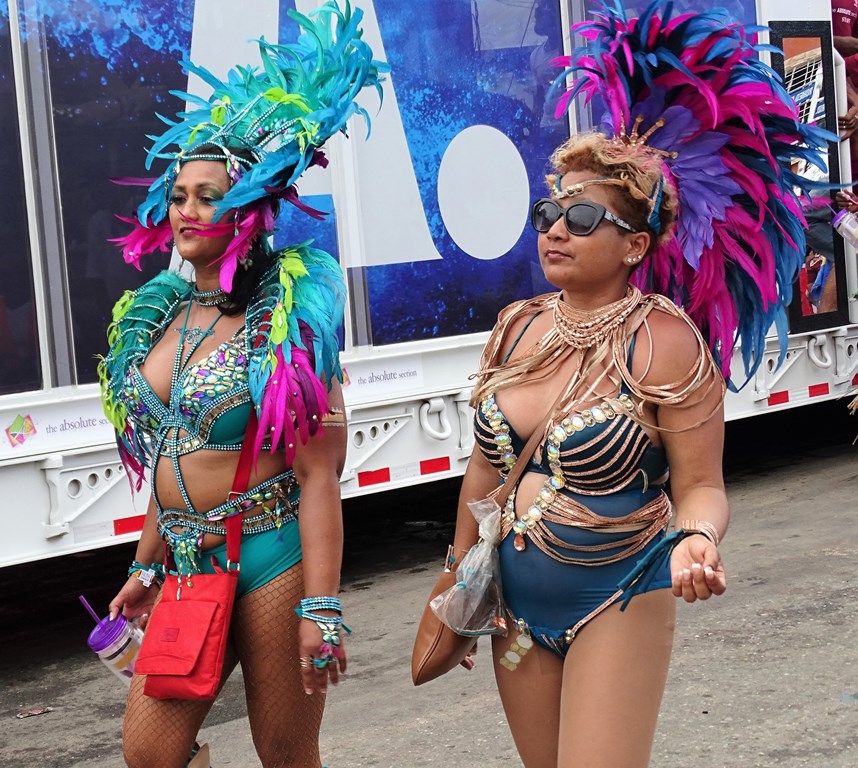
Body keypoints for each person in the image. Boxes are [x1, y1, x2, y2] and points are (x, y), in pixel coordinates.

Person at [443, 3, 829, 767]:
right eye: (550, 210)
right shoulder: (517, 326)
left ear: (636, 244)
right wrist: (457, 589)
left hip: (617, 596)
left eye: (581, 217)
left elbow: (703, 488)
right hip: (515, 612)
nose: (555, 227)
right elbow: (483, 475)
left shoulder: (664, 341)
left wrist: (695, 540)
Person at [97, 4, 385, 767]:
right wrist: (144, 562)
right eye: (179, 195)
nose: (186, 210)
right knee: (148, 755)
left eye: (208, 195)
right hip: (185, 563)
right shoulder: (161, 315)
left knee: (285, 753)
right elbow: (171, 450)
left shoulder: (291, 322)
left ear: (250, 211)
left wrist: (320, 607)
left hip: (271, 554)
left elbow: (320, 473)